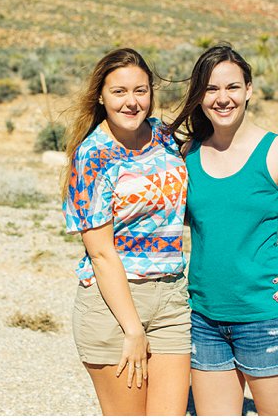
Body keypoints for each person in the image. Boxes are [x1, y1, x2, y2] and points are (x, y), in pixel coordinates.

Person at [168, 44, 278, 416]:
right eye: (211, 89)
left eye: (232, 87)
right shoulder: (188, 155)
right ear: (199, 96)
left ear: (249, 89)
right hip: (204, 318)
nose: (222, 98)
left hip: (265, 320)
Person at [62, 48, 191, 415]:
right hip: (114, 307)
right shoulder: (93, 156)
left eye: (141, 90)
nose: (132, 102)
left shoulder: (165, 138)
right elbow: (101, 254)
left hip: (171, 300)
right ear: (101, 97)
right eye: (119, 92)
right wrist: (133, 329)